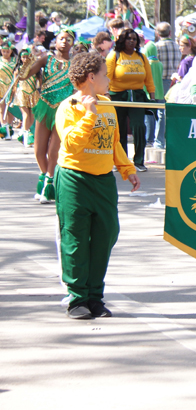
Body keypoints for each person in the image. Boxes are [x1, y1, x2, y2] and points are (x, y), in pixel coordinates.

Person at [55, 52, 140, 319]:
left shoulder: (107, 104)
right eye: (105, 75)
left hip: (103, 181)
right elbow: (70, 144)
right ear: (91, 77)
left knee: (106, 235)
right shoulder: (68, 107)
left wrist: (127, 168)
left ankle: (95, 296)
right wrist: (88, 115)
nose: (109, 79)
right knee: (76, 238)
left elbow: (113, 142)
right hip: (74, 179)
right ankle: (77, 298)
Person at [26, 27, 76, 203]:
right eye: (61, 38)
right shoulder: (46, 59)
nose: (64, 42)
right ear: (55, 41)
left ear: (73, 43)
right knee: (39, 150)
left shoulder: (75, 63)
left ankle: (49, 182)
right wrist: (27, 61)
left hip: (64, 110)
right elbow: (26, 75)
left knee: (54, 149)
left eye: (68, 39)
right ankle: (47, 177)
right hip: (45, 106)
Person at [106, 28, 155, 172]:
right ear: (122, 40)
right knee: (118, 129)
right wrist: (105, 94)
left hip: (137, 96)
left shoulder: (141, 57)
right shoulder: (113, 56)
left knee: (138, 126)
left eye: (134, 39)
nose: (132, 41)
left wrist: (152, 96)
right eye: (129, 39)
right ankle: (120, 161)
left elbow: (149, 79)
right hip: (117, 96)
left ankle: (139, 161)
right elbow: (107, 77)